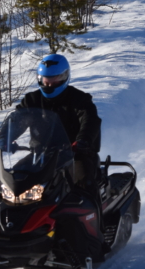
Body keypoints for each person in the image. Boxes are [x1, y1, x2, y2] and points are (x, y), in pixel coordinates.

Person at [17, 53, 101, 194]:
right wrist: (5, 138)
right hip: (41, 155)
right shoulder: (32, 100)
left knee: (84, 185)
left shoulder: (79, 99)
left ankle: (95, 207)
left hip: (74, 155)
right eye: (45, 80)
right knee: (15, 178)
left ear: (64, 77)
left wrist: (82, 140)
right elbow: (18, 119)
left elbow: (89, 119)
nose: (49, 84)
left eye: (54, 80)